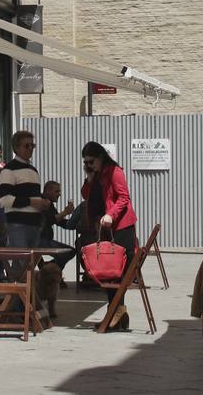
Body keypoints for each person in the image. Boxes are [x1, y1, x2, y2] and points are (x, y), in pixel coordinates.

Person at [81, 141, 136, 330]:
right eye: (85, 162)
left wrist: (111, 215)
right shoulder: (95, 174)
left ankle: (114, 313)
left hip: (120, 227)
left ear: (101, 157)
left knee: (116, 272)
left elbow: (123, 197)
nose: (89, 165)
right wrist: (89, 177)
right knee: (107, 272)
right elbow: (86, 195)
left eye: (91, 161)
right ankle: (116, 313)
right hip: (104, 227)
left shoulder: (114, 171)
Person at [0, 131, 48, 248]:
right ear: (16, 148)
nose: (30, 148)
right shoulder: (9, 170)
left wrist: (42, 203)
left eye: (33, 145)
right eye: (27, 145)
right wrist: (32, 202)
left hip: (34, 223)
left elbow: (32, 195)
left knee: (29, 264)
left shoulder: (33, 170)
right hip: (17, 224)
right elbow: (4, 200)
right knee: (22, 262)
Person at [38, 180, 79, 269]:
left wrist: (76, 224)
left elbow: (59, 222)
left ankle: (47, 269)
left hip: (45, 240)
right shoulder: (41, 202)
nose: (59, 194)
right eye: (57, 191)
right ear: (48, 191)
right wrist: (65, 212)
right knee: (68, 252)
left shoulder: (50, 204)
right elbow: (49, 220)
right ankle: (49, 271)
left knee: (70, 252)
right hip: (39, 240)